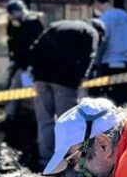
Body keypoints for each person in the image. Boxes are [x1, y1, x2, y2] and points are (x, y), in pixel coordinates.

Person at [28, 19, 102, 168]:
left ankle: (45, 161)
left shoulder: (57, 25)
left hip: (41, 77)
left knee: (45, 121)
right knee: (67, 122)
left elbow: (35, 46)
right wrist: (82, 76)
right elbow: (90, 56)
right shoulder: (92, 32)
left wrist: (35, 73)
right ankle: (66, 161)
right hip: (64, 80)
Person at [90, 0, 127, 104]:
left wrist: (96, 63)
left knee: (111, 101)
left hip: (111, 63)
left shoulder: (104, 19)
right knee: (126, 101)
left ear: (96, 2)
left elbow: (103, 42)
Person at [5, 0, 45, 88]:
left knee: (27, 88)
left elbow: (35, 45)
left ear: (16, 12)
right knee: (13, 90)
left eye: (12, 14)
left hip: (29, 65)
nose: (11, 16)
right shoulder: (15, 23)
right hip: (20, 64)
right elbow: (12, 41)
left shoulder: (32, 22)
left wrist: (30, 64)